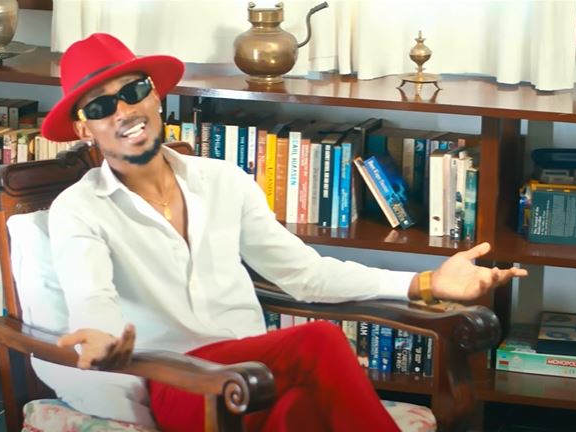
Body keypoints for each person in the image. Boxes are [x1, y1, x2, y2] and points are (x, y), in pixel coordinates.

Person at [39, 33, 527, 432]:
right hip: (181, 383)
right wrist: (101, 339)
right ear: (83, 129)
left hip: (258, 376)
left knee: (298, 413)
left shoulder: (223, 180)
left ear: (154, 96)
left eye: (132, 92)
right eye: (99, 107)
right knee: (320, 342)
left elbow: (306, 275)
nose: (123, 111)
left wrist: (427, 282)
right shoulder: (78, 210)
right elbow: (91, 296)